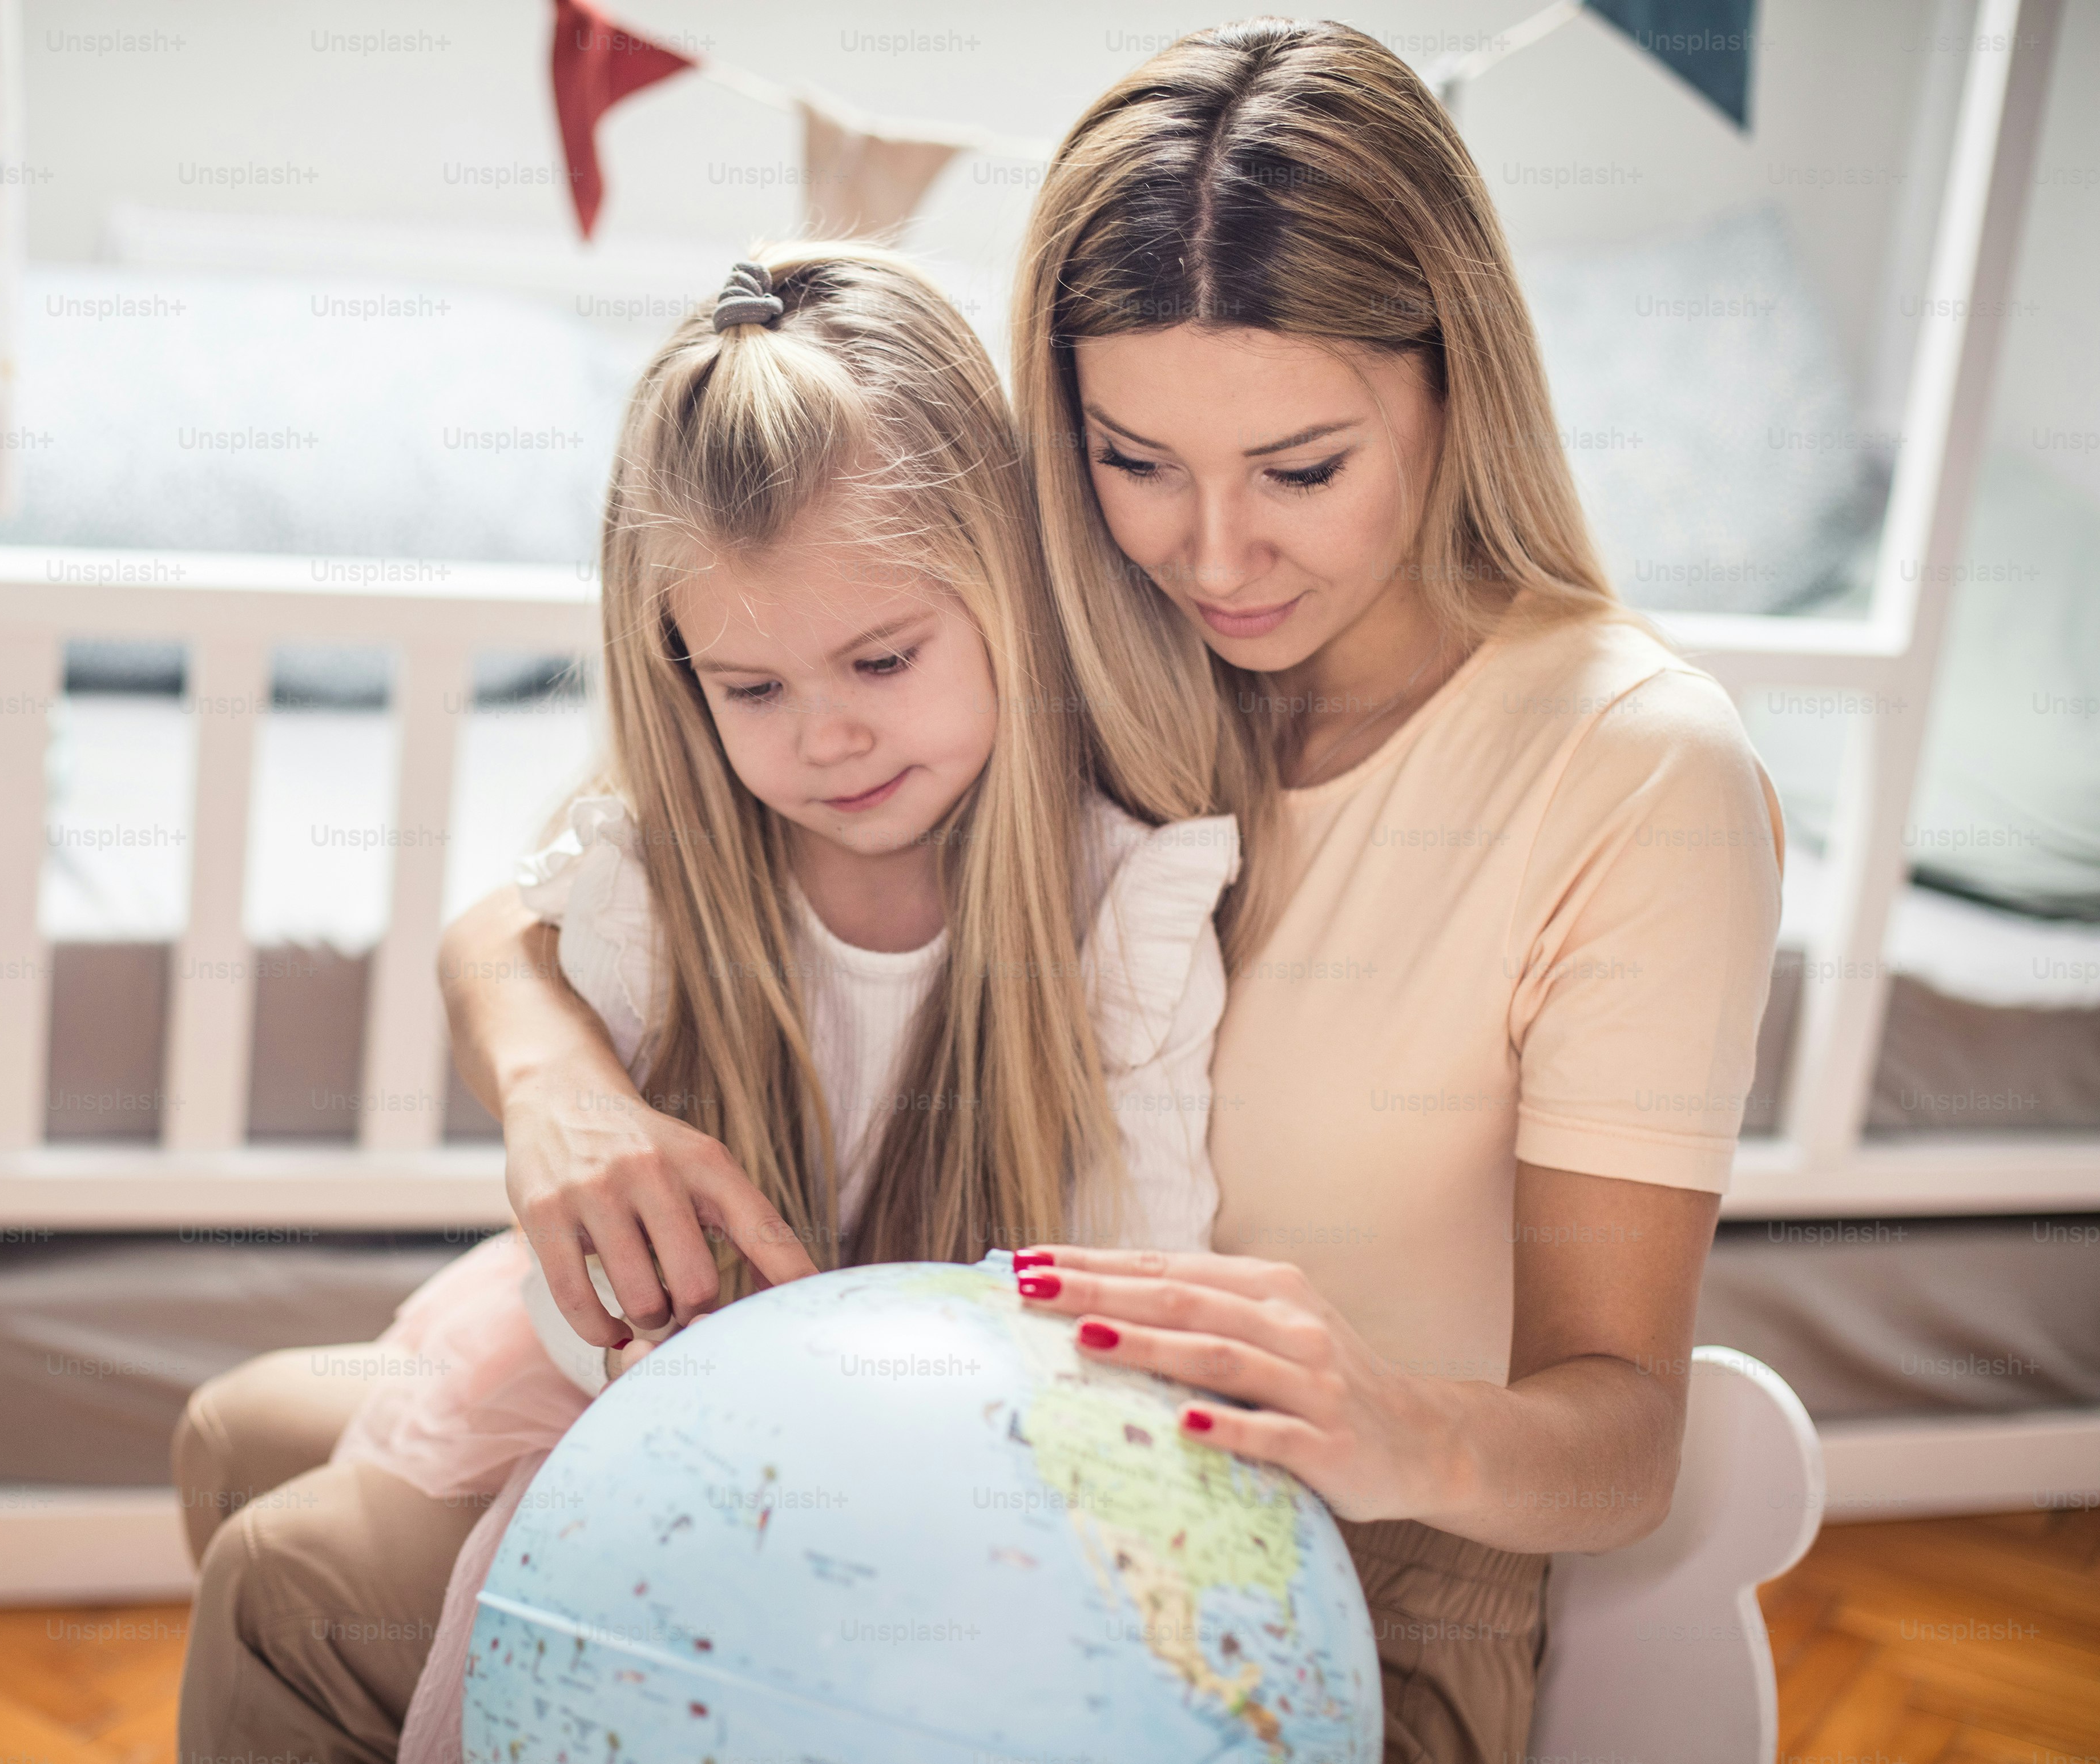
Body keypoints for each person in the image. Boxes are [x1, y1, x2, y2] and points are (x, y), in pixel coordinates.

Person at [434, 21, 1783, 1763]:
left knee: (310, 1580)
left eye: (1301, 470)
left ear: (1457, 383)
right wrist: (549, 1071)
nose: (1213, 556)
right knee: (259, 1463)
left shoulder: (1633, 766)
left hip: (1315, 1588)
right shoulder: (1078, 627)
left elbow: (1620, 1434)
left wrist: (1397, 1426)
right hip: (980, 1496)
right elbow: (601, 871)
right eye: (1134, 459)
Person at [173, 244, 1239, 1764]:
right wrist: (627, 1279)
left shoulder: (1121, 910)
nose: (828, 735)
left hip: (931, 1479)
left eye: (882, 656)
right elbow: (573, 1270)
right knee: (229, 1429)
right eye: (750, 688)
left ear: (1012, 585)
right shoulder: (658, 879)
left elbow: (1129, 1302)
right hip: (658, 1403)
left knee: (283, 1574)